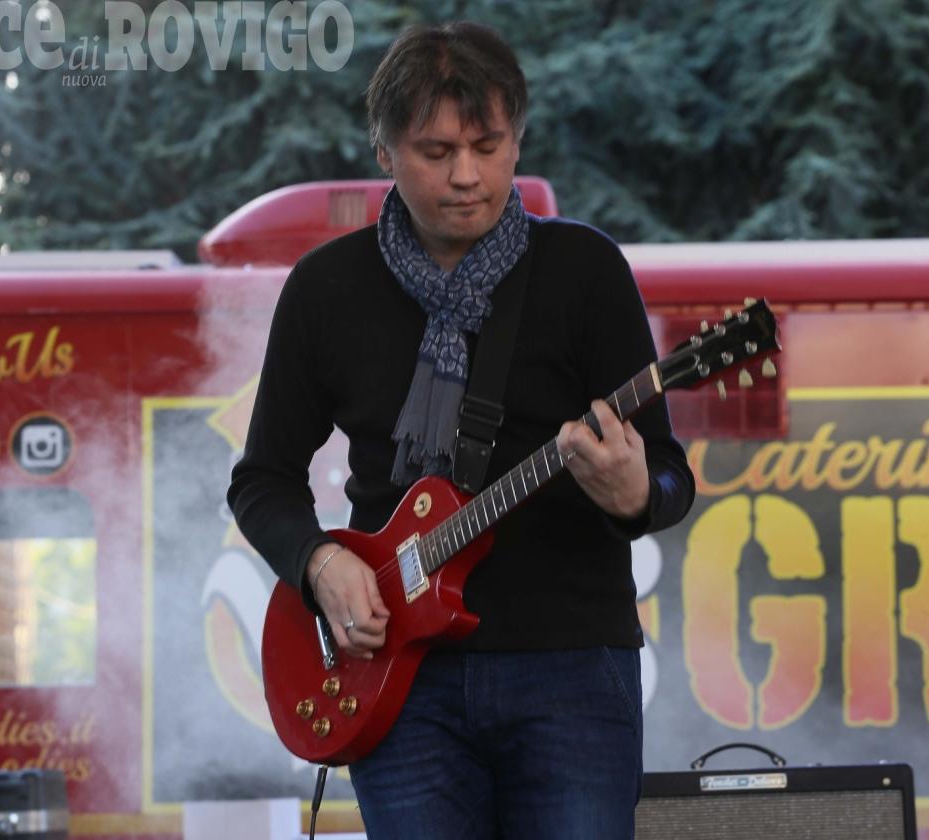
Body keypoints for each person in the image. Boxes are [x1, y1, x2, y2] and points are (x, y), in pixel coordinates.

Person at [228, 21, 695, 839]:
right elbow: (262, 481)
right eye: (436, 152)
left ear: (519, 140)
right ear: (384, 150)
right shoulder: (326, 290)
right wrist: (320, 563)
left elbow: (668, 479)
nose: (467, 176)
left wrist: (632, 494)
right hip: (399, 684)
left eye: (488, 146)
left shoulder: (585, 274)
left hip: (570, 672)